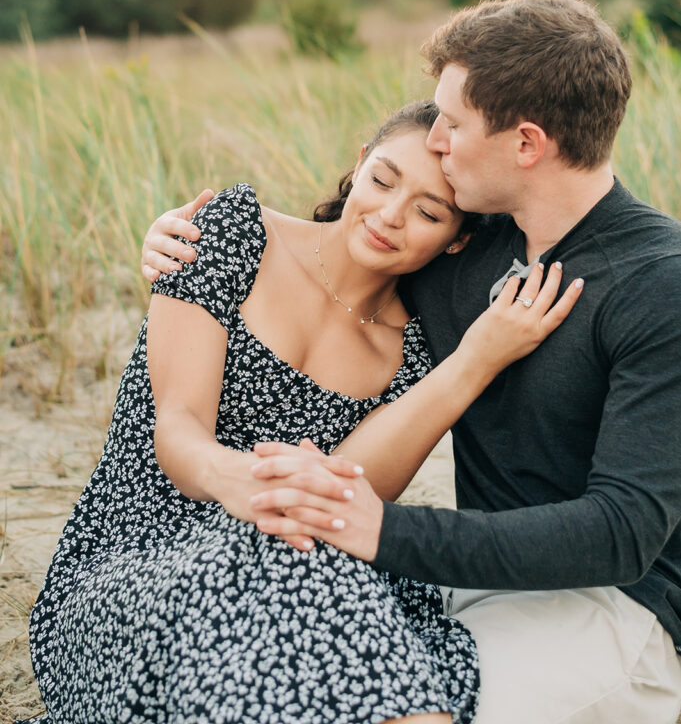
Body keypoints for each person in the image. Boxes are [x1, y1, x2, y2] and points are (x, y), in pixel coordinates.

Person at [146, 0, 681, 724]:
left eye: (453, 125)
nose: (436, 140)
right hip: (465, 584)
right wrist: (180, 241)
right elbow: (335, 243)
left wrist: (381, 528)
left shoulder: (659, 283)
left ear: (525, 144)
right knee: (286, 677)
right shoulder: (462, 243)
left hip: (613, 611)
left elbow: (622, 532)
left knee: (374, 707)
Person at [21, 99, 581, 724]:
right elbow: (176, 430)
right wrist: (243, 481)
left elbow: (342, 499)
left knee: (302, 549)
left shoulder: (416, 349)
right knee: (289, 545)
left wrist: (474, 361)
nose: (389, 216)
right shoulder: (236, 233)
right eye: (383, 180)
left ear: (456, 242)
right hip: (127, 575)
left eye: (429, 212)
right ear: (361, 162)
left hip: (298, 571)